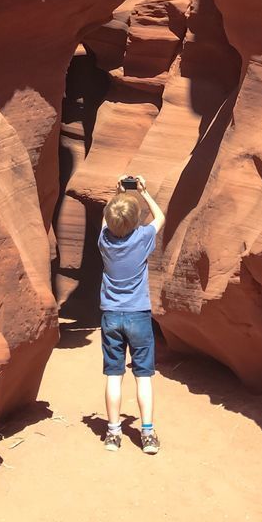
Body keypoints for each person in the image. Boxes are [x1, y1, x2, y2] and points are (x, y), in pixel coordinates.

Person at [98, 174, 165, 454]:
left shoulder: (104, 241)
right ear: (136, 221)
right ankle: (147, 434)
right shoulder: (143, 237)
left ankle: (113, 434)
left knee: (114, 376)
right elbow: (159, 217)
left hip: (111, 315)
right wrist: (144, 192)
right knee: (143, 376)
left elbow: (106, 222)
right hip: (138, 315)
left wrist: (117, 195)